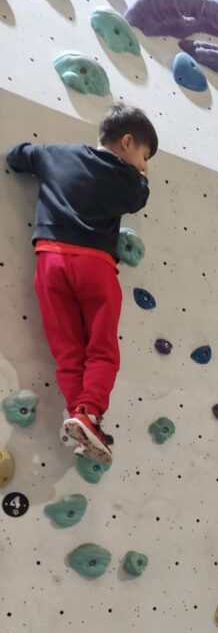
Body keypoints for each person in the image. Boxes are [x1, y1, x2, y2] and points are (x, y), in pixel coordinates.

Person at [6, 104, 158, 462]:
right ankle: (89, 412)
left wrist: (36, 156)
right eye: (144, 155)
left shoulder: (55, 154)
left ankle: (82, 419)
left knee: (67, 350)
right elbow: (139, 198)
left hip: (50, 262)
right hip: (94, 266)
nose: (144, 164)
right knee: (101, 348)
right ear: (127, 142)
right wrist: (140, 176)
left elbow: (16, 156)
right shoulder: (128, 180)